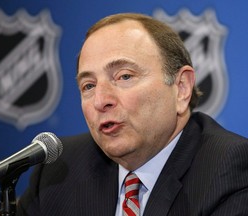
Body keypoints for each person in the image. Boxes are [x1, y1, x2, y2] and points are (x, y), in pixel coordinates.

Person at [16, 13, 248, 215]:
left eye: (124, 76)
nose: (101, 100)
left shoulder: (231, 168)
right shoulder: (61, 168)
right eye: (88, 86)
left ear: (181, 89)